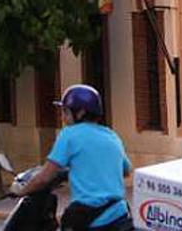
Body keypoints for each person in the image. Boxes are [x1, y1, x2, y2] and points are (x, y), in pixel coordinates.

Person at [15, 84, 132, 230]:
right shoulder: (111, 136)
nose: (63, 118)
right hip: (119, 215)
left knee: (69, 220)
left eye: (65, 112)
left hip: (89, 218)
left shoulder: (69, 135)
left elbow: (44, 177)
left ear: (80, 113)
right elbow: (126, 171)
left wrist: (21, 191)